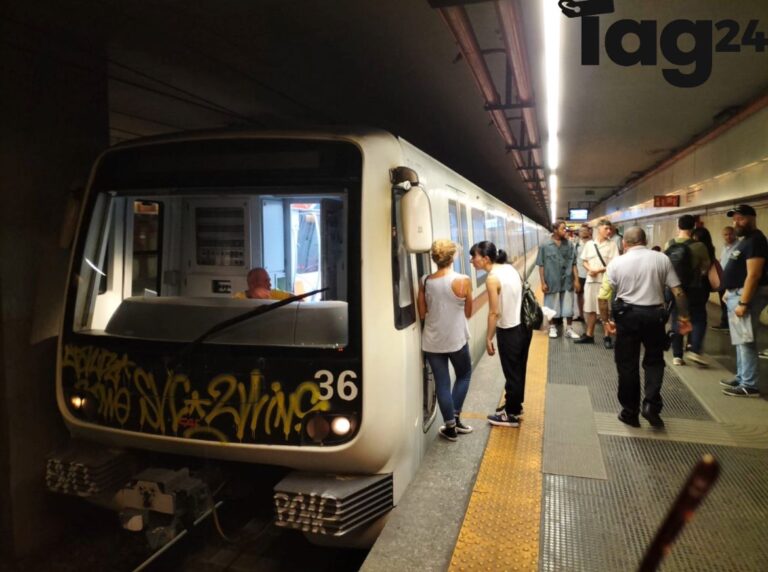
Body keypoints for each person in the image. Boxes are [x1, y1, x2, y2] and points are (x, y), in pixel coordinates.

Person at [599, 227, 692, 428]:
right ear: (646, 240)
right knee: (654, 361)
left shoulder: (616, 263)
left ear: (624, 243)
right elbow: (678, 292)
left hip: (627, 317)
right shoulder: (661, 259)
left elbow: (603, 297)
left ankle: (630, 412)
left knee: (627, 365)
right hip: (655, 317)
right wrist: (684, 318)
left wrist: (606, 322)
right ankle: (650, 405)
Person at [470, 241, 532, 428]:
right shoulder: (509, 269)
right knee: (518, 370)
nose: (472, 261)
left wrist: (489, 337)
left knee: (511, 372)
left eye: (474, 257)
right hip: (523, 327)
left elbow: (494, 313)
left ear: (486, 259)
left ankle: (511, 415)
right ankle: (515, 406)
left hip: (509, 330)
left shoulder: (492, 279)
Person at [418, 240, 474, 441]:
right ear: (453, 257)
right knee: (464, 374)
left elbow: (422, 312)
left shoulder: (424, 280)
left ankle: (450, 427)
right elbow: (468, 312)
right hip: (456, 338)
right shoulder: (463, 280)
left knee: (442, 382)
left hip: (432, 340)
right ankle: (456, 417)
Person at [719, 205, 768, 397]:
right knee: (740, 340)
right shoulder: (745, 240)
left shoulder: (756, 240)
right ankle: (741, 376)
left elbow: (754, 275)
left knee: (746, 341)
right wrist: (729, 291)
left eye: (741, 218)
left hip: (745, 297)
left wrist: (744, 302)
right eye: (734, 219)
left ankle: (749, 384)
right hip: (736, 294)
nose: (736, 222)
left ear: (752, 218)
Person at [665, 215, 710, 366]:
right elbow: (705, 268)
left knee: (677, 317)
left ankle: (677, 356)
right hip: (694, 288)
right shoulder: (699, 246)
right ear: (694, 226)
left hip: (674, 288)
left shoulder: (669, 244)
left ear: (678, 226)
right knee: (698, 318)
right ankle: (695, 350)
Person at [576, 219, 619, 346]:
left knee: (606, 310)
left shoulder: (612, 245)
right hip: (591, 281)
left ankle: (607, 337)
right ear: (598, 229)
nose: (609, 231)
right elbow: (584, 260)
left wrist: (598, 270)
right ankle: (589, 335)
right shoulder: (590, 244)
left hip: (605, 282)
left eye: (610, 229)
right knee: (590, 310)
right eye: (606, 228)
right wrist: (590, 270)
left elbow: (614, 264)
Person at [536, 220, 581, 339]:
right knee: (551, 306)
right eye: (562, 229)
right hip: (552, 281)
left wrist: (576, 280)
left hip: (567, 281)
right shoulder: (545, 245)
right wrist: (542, 283)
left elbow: (574, 263)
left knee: (568, 306)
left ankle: (569, 329)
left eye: (565, 228)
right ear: (555, 230)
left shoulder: (570, 245)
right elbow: (541, 265)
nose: (565, 231)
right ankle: (552, 328)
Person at [711, 226, 739, 332]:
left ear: (735, 234)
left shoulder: (739, 246)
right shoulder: (725, 247)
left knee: (732, 303)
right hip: (723, 278)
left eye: (730, 234)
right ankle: (725, 324)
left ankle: (732, 326)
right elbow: (724, 260)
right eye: (725, 234)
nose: (728, 237)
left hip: (733, 280)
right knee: (724, 303)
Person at [574, 225, 592, 321]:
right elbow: (574, 260)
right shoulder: (577, 244)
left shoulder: (594, 244)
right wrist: (575, 277)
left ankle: (592, 316)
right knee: (579, 294)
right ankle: (581, 315)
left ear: (589, 232)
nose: (582, 233)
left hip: (591, 274)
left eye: (584, 231)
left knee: (591, 296)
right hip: (580, 274)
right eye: (580, 231)